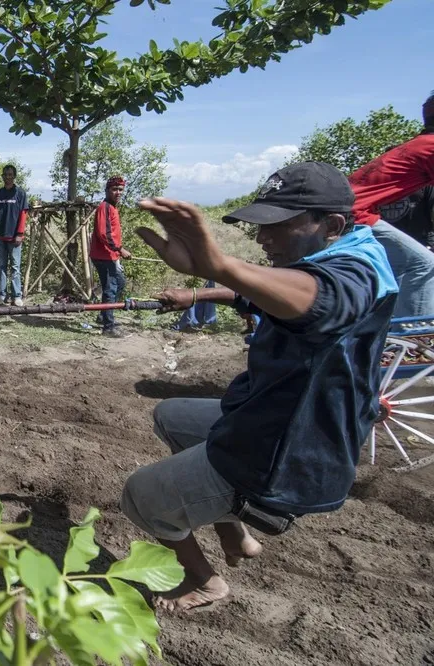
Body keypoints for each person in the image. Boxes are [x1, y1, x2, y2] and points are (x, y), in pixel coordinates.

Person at [121, 162, 398, 613]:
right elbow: (261, 293)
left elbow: (323, 300)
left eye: (278, 227)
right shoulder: (334, 255)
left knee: (142, 496)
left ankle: (206, 582)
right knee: (170, 416)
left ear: (331, 225)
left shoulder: (354, 274)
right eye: (260, 227)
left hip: (291, 450)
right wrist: (199, 292)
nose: (263, 239)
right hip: (273, 416)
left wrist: (221, 264)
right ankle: (235, 536)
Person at [348, 92, 434, 317]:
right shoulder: (431, 148)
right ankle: (417, 335)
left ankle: (391, 326)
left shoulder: (419, 145)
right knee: (424, 265)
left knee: (398, 267)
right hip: (355, 215)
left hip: (345, 212)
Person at [88, 176, 133, 337]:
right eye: (114, 189)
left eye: (120, 189)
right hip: (104, 255)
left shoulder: (112, 207)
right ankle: (108, 327)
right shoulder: (105, 207)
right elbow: (103, 234)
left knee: (119, 283)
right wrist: (120, 249)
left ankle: (103, 315)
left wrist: (117, 251)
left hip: (110, 255)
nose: (118, 192)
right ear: (107, 190)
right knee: (111, 288)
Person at [0, 165, 28, 306]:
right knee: (2, 267)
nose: (8, 177)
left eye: (10, 174)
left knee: (15, 267)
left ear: (14, 176)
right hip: (0, 237)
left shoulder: (20, 193)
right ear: (3, 176)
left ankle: (17, 296)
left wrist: (20, 234)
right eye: (6, 174)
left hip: (15, 237)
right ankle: (1, 295)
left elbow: (23, 214)